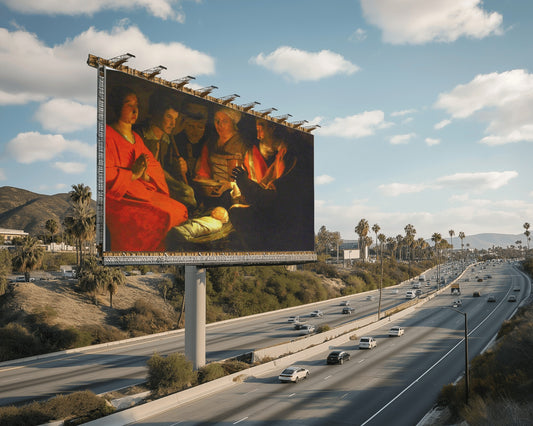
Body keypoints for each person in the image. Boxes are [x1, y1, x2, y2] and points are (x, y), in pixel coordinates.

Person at [105, 85, 188, 252]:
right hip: (119, 196)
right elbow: (106, 175)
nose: (134, 109)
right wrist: (133, 174)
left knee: (180, 209)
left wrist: (147, 176)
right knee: (163, 215)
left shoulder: (136, 138)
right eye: (129, 104)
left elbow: (153, 166)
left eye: (136, 105)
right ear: (117, 106)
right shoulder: (107, 134)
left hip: (141, 190)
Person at [229, 125, 314, 251]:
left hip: (285, 226)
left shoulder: (290, 155)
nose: (258, 137)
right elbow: (264, 185)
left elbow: (269, 200)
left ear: (272, 128)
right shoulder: (283, 153)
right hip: (284, 218)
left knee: (236, 212)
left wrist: (243, 181)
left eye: (260, 130)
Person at [134, 91, 197, 210]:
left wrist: (180, 168)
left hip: (160, 181)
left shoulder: (166, 140)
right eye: (169, 117)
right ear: (156, 114)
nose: (173, 124)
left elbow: (166, 168)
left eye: (175, 119)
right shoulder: (140, 136)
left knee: (188, 192)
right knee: (186, 194)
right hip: (144, 183)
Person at [194, 107, 247, 208]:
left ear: (233, 122)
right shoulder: (210, 143)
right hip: (213, 191)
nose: (220, 125)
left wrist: (231, 185)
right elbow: (203, 170)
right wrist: (206, 183)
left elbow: (253, 177)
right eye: (216, 120)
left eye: (225, 121)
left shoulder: (244, 145)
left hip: (235, 195)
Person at [174, 102, 209, 183]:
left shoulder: (208, 143)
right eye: (190, 126)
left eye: (200, 127)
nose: (195, 131)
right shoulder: (177, 142)